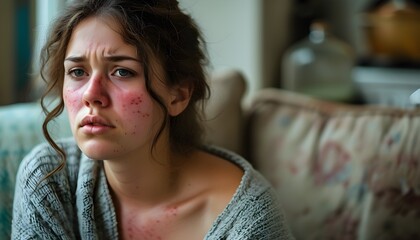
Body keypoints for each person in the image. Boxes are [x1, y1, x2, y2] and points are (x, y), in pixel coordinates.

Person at [12, 0, 294, 239]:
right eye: (77, 72)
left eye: (122, 72)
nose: (91, 95)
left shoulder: (249, 219)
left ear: (178, 95)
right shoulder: (49, 179)